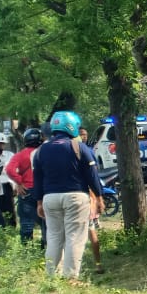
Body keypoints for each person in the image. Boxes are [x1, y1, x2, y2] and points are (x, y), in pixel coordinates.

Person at [34, 111, 104, 282]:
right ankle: (71, 278)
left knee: (53, 237)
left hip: (50, 198)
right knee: (74, 237)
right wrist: (99, 197)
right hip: (75, 197)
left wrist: (39, 201)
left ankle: (52, 277)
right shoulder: (78, 147)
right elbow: (92, 174)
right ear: (71, 126)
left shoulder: (41, 150)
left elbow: (37, 178)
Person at [6, 128, 46, 246]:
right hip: (43, 191)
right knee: (46, 222)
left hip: (26, 191)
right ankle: (45, 247)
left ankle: (26, 249)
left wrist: (19, 182)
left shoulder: (20, 155)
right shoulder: (45, 153)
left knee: (26, 223)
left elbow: (9, 169)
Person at [0, 132, 16, 226]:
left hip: (7, 185)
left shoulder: (10, 155)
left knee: (10, 211)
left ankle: (11, 229)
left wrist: (15, 185)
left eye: (2, 143)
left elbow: (15, 171)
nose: (1, 145)